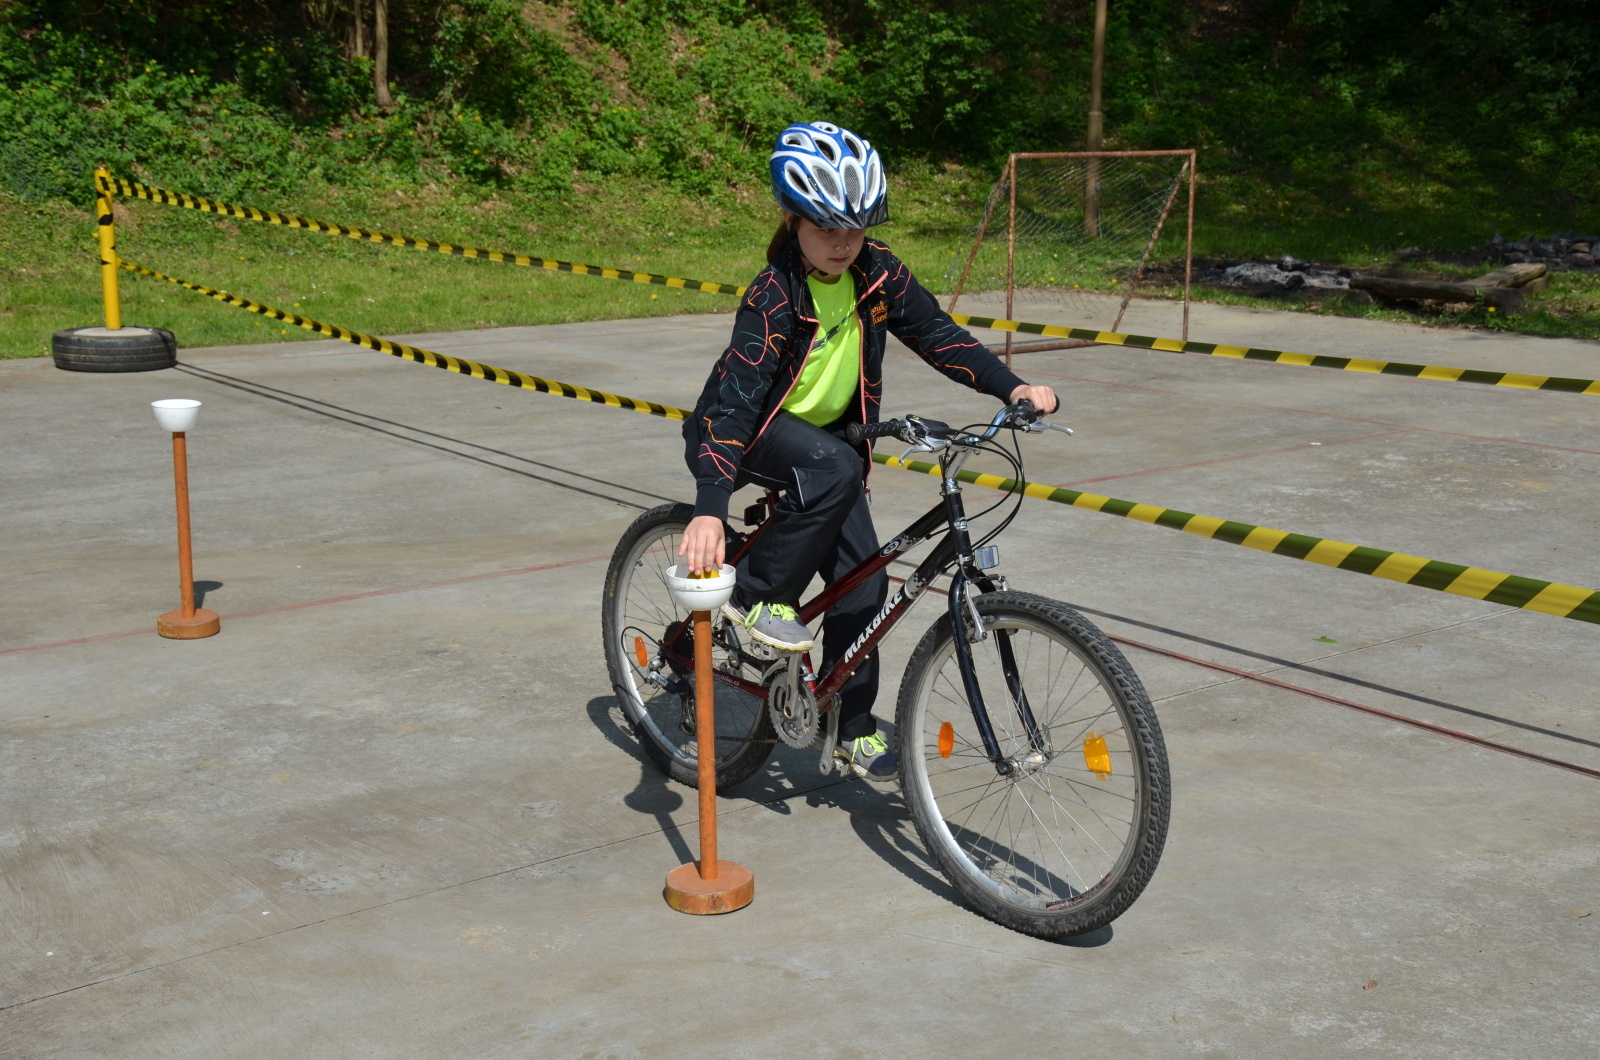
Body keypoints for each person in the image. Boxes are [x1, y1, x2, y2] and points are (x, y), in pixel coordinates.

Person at [678, 121, 1058, 784]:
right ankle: (760, 596)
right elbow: (737, 401)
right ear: (792, 220)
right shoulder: (773, 295)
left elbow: (937, 333)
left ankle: (850, 726)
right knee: (836, 466)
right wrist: (710, 505)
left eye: (855, 229)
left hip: (825, 447)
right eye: (827, 227)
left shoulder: (876, 273)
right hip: (748, 429)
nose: (843, 243)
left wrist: (1012, 385)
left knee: (867, 580)